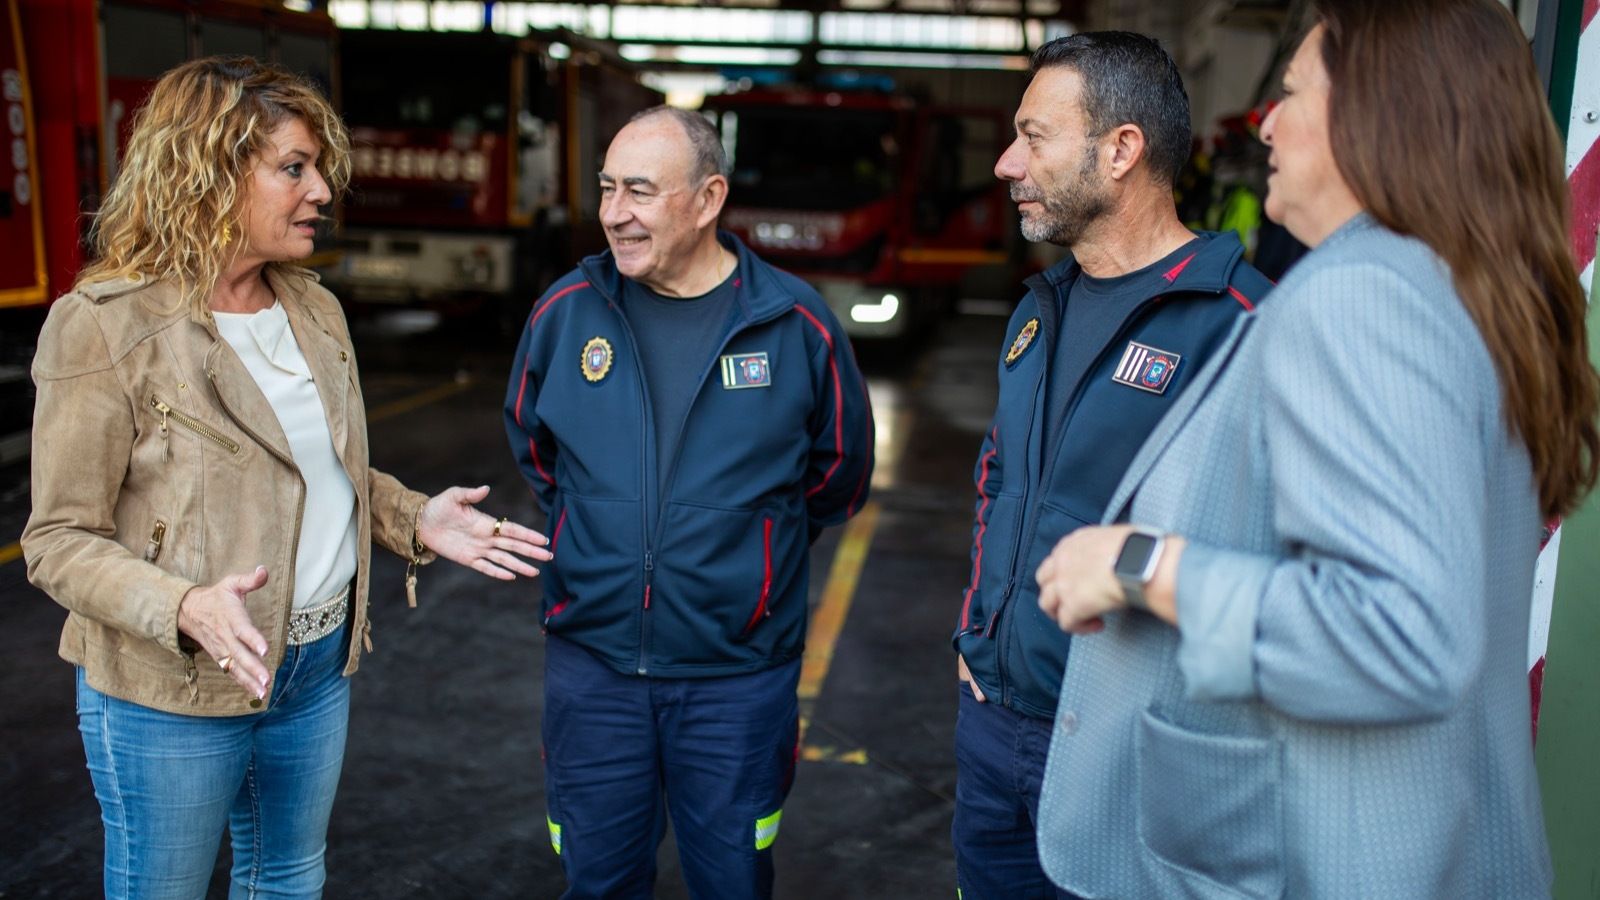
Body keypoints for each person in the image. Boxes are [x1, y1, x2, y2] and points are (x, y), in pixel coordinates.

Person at [1031, 1, 1600, 896]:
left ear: (1376, 115)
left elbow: (1403, 633)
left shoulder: (1363, 299)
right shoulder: (1458, 289)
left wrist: (1142, 565)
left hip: (1338, 855)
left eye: (1293, 92)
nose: (1267, 120)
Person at [21, 56, 554, 899]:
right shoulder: (104, 326)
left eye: (318, 171)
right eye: (294, 169)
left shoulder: (313, 308)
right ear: (207, 172)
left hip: (314, 666)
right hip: (176, 684)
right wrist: (184, 605)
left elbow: (320, 473)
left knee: (289, 882)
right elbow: (57, 540)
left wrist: (416, 519)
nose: (319, 194)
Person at [503, 106, 873, 899]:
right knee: (597, 882)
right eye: (607, 188)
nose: (614, 213)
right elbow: (535, 449)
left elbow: (838, 473)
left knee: (733, 882)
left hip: (737, 681)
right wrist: (601, 531)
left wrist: (747, 552)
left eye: (639, 190)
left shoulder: (795, 324)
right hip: (593, 669)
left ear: (708, 199)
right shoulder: (567, 312)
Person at [949, 33, 1271, 899]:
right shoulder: (1038, 308)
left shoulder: (1243, 326)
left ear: (1121, 149)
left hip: (1130, 749)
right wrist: (977, 634)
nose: (1008, 162)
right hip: (993, 727)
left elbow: (1282, 558)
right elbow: (999, 475)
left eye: (1034, 136)